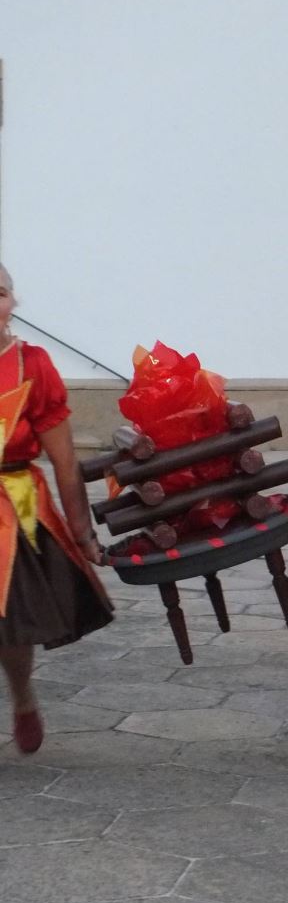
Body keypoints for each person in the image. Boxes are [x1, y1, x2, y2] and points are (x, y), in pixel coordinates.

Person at [0, 266, 113, 753]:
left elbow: (66, 463)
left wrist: (82, 533)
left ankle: (22, 695)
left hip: (15, 505)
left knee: (9, 619)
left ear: (13, 300)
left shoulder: (33, 365)